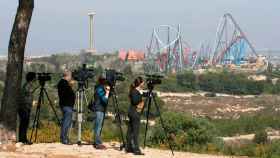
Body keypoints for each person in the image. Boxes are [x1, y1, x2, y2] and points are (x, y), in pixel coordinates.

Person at [126, 76, 145, 155]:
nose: (143, 83)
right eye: (143, 82)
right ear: (140, 83)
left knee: (130, 130)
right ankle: (136, 149)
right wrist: (141, 95)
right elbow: (135, 101)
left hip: (132, 112)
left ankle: (129, 147)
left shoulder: (135, 91)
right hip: (134, 113)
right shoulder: (134, 91)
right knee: (135, 132)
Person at [17, 72, 36, 144]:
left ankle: (23, 139)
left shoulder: (27, 85)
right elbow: (26, 96)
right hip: (24, 107)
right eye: (35, 77)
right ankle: (22, 139)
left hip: (24, 106)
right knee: (24, 123)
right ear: (32, 78)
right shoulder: (28, 85)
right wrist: (27, 105)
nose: (36, 78)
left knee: (24, 123)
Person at [57, 70, 75, 144]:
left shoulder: (62, 83)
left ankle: (63, 138)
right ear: (67, 76)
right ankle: (64, 139)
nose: (71, 78)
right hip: (67, 105)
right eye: (70, 76)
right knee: (66, 122)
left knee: (65, 122)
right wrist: (70, 86)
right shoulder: (63, 83)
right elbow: (66, 93)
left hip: (66, 105)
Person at [92, 76, 110, 149]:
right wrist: (107, 92)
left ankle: (98, 141)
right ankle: (97, 143)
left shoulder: (99, 87)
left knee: (98, 126)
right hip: (99, 109)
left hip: (100, 109)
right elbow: (105, 100)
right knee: (98, 127)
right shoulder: (100, 89)